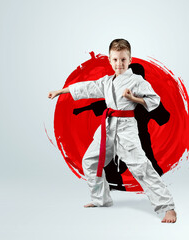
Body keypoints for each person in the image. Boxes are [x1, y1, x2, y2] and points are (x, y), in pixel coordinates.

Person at [48, 39, 177, 223]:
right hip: (107, 126)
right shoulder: (107, 82)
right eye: (115, 60)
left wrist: (134, 98)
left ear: (130, 60)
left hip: (126, 128)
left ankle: (167, 207)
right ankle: (101, 198)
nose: (119, 64)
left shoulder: (136, 80)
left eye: (123, 59)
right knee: (90, 161)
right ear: (110, 60)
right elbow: (87, 87)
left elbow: (154, 100)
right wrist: (61, 91)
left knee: (141, 167)